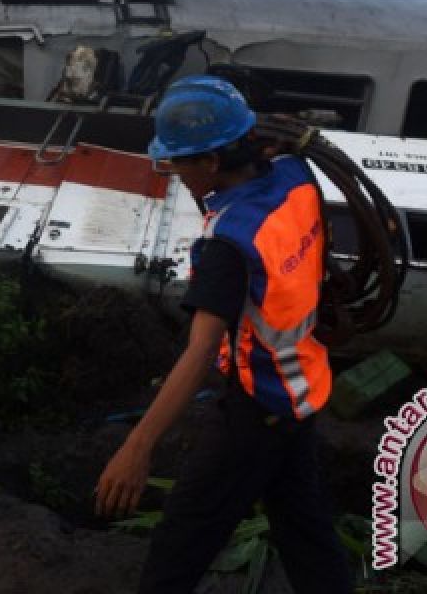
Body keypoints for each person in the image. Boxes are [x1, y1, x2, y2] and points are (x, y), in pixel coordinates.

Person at [95, 76, 351, 594]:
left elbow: (201, 349)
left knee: (183, 537)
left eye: (178, 163)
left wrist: (138, 445)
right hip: (300, 392)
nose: (173, 174)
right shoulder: (293, 175)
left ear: (212, 163)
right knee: (306, 534)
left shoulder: (229, 245)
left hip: (257, 408)